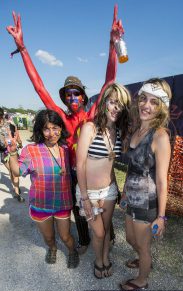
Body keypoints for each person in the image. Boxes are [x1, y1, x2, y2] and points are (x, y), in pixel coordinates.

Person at [6, 5, 124, 254]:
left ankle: (107, 241)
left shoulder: (92, 115)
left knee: (105, 213)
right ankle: (83, 240)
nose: (72, 97)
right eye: (68, 94)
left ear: (83, 97)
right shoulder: (61, 118)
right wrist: (24, 49)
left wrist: (112, 44)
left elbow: (109, 82)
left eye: (76, 93)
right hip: (71, 174)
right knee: (78, 210)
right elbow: (39, 87)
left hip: (97, 172)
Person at [7, 109, 79, 268]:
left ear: (61, 128)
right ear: (40, 130)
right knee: (48, 238)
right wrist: (13, 154)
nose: (52, 133)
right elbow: (17, 171)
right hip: (41, 205)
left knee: (66, 236)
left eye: (55, 128)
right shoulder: (31, 150)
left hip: (63, 203)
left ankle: (72, 251)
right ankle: (52, 249)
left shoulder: (66, 149)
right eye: (46, 128)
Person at [119, 78, 171, 291]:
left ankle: (142, 280)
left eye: (154, 102)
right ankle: (143, 258)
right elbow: (131, 168)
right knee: (131, 239)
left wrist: (161, 216)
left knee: (143, 245)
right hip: (131, 198)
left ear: (161, 108)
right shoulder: (136, 130)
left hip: (147, 204)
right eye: (143, 99)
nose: (146, 105)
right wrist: (124, 193)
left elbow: (161, 180)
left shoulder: (160, 136)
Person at [76, 83, 131, 278]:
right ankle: (98, 261)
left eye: (121, 105)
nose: (117, 108)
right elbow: (80, 164)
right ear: (104, 102)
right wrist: (84, 198)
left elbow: (111, 166)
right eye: (113, 102)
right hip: (88, 193)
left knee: (106, 230)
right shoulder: (90, 128)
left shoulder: (117, 132)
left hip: (109, 190)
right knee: (98, 233)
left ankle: (105, 257)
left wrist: (119, 189)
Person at [0, 108, 25, 202]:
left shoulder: (10, 125)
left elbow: (17, 135)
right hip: (4, 153)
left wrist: (20, 143)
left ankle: (17, 192)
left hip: (12, 152)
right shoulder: (11, 125)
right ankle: (16, 189)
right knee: (11, 171)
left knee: (14, 172)